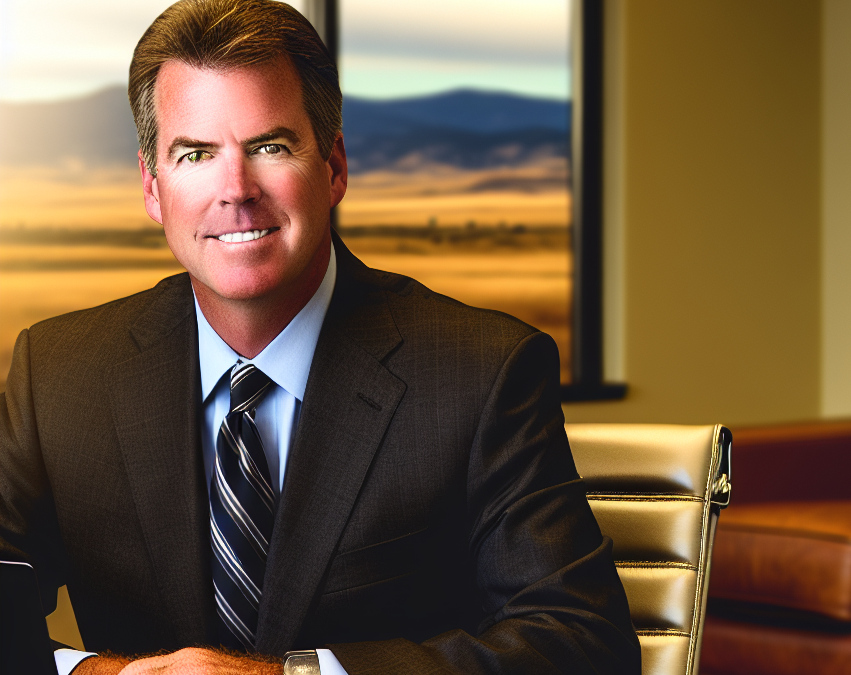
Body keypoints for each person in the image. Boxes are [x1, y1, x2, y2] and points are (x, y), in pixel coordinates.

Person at [0, 1, 639, 674]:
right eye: (195, 154)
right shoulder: (58, 374)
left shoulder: (482, 373)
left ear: (333, 167)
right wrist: (103, 674)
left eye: (270, 147)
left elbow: (582, 643)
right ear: (153, 187)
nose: (235, 189)